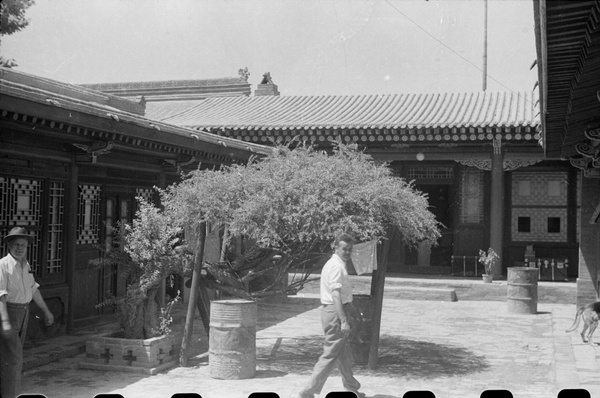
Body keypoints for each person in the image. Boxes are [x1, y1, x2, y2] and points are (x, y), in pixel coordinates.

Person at [299, 233, 365, 398]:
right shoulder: (335, 266)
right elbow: (335, 295)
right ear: (335, 247)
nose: (347, 252)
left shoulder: (338, 264)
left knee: (343, 352)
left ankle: (351, 387)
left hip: (337, 310)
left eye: (350, 249)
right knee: (330, 354)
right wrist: (343, 320)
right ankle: (307, 392)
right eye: (344, 249)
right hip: (335, 312)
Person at [0, 227, 54, 398]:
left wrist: (46, 311)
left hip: (24, 314)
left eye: (23, 245)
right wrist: (5, 322)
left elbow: (33, 289)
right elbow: (0, 295)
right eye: (16, 244)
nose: (20, 248)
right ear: (9, 245)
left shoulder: (26, 265)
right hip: (9, 313)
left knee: (13, 359)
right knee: (14, 360)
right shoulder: (3, 265)